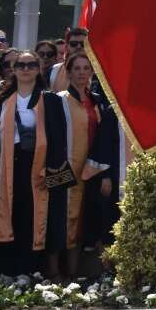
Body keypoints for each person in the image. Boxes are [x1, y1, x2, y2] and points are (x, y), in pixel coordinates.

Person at [0, 48, 70, 278]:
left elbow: (60, 138)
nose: (26, 69)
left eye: (31, 65)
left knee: (38, 217)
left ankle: (35, 271)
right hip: (7, 167)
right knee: (10, 214)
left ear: (38, 69)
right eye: (20, 65)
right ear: (13, 69)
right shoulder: (1, 100)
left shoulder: (51, 99)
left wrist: (51, 170)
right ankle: (8, 272)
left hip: (40, 167)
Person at [58, 52, 118, 277]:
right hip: (66, 169)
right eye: (77, 68)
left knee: (89, 218)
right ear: (69, 71)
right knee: (62, 217)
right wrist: (56, 173)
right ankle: (60, 272)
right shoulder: (58, 99)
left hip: (92, 168)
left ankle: (88, 273)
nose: (82, 73)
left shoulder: (98, 101)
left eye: (86, 68)